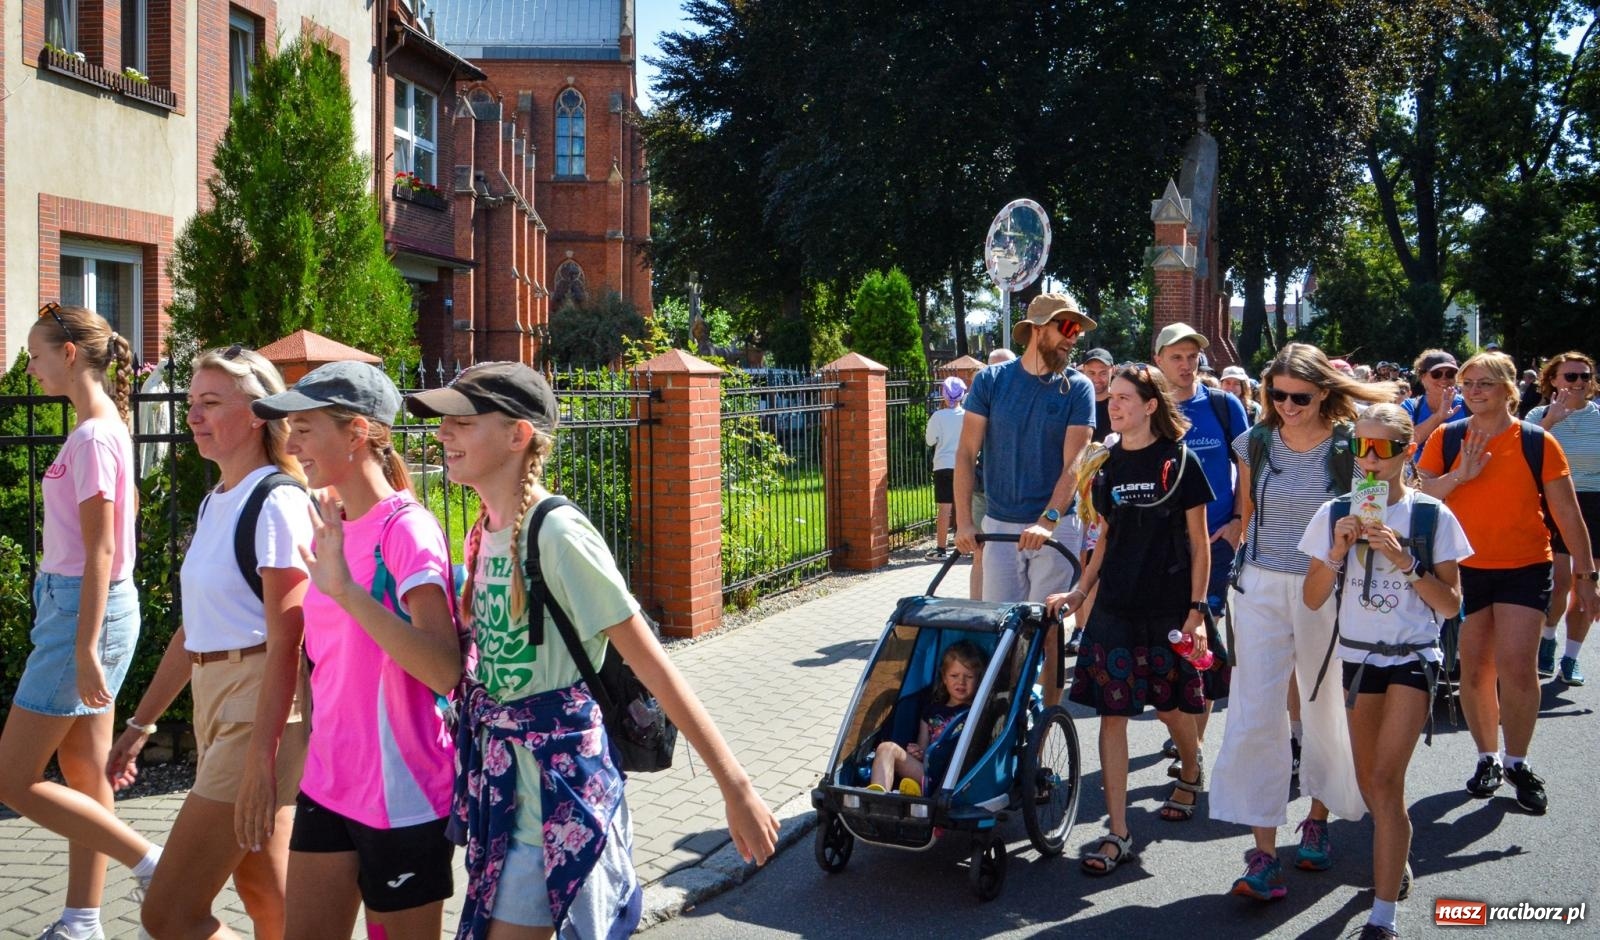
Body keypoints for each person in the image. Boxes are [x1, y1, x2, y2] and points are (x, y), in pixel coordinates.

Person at [405, 362, 779, 938]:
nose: (442, 433)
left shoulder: (558, 535)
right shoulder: (484, 530)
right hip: (506, 798)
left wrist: (736, 787)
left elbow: (654, 666)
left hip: (557, 804)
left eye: (463, 421)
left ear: (517, 435)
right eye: (443, 421)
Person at [105, 346, 313, 939]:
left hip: (258, 708)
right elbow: (193, 632)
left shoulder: (276, 501)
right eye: (193, 402)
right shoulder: (218, 498)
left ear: (257, 414)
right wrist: (140, 726)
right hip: (217, 699)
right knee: (267, 893)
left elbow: (289, 639)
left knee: (168, 912)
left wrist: (261, 759)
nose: (193, 415)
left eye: (211, 403)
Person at [252, 361, 463, 938]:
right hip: (328, 782)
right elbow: (323, 660)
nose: (290, 445)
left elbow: (444, 669)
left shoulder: (407, 529)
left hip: (401, 795)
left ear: (358, 433)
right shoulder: (331, 524)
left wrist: (347, 591)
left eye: (305, 429)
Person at [0, 304, 161, 940]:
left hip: (79, 614)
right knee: (87, 774)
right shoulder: (105, 429)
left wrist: (87, 645)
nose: (30, 368)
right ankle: (82, 921)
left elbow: (101, 549)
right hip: (85, 607)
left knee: (12, 779)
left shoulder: (94, 436)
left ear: (69, 354)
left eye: (37, 355)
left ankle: (150, 861)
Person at [1210, 343, 1388, 902]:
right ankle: (1263, 853)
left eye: (1300, 397)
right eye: (1278, 394)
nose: (1287, 405)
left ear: (1324, 393)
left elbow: (1374, 513)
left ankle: (1317, 820)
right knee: (1254, 712)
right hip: (1259, 585)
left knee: (1322, 705)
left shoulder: (1351, 447)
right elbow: (1247, 513)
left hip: (1325, 585)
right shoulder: (1254, 442)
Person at [1300, 404, 1470, 940]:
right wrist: (1336, 550)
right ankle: (1395, 856)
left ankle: (1383, 916)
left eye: (1382, 448)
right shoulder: (1335, 512)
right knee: (1369, 778)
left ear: (1407, 451)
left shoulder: (1431, 516)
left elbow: (1450, 605)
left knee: (1386, 781)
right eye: (1360, 447)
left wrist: (1406, 563)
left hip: (1413, 659)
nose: (1369, 459)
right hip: (1359, 659)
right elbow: (1311, 598)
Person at [1046, 363, 1214, 876]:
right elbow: (1106, 537)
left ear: (1150, 405)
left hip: (1168, 606)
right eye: (1111, 396)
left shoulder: (1180, 461)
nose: (1113, 404)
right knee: (1112, 714)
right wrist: (1080, 591)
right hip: (1115, 606)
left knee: (1169, 707)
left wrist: (1197, 611)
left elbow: (1200, 544)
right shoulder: (1104, 463)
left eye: (1123, 397)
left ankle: (1191, 765)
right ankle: (1118, 833)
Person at [1416, 351, 1598, 814]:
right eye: (1468, 383)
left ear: (1508, 389)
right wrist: (1461, 475)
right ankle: (1487, 758)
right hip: (1464, 567)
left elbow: (1567, 514)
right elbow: (1420, 494)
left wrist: (1586, 576)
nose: (1474, 391)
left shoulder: (1537, 441)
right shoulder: (1447, 436)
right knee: (1476, 670)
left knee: (1517, 666)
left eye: (1485, 383)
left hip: (1525, 565)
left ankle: (1518, 761)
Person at [954, 294, 1096, 704]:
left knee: (1047, 629)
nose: (1074, 338)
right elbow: (965, 453)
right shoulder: (992, 381)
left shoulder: (1077, 387)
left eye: (1077, 330)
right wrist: (964, 522)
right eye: (1066, 327)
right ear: (1037, 329)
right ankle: (1004, 714)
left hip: (1055, 527)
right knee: (1001, 628)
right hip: (999, 525)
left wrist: (1048, 520)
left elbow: (1076, 462)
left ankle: (1047, 722)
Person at [1153, 323, 1245, 777]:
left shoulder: (1223, 406)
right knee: (1167, 640)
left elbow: (1247, 465)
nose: (1187, 365)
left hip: (1213, 543)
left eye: (1192, 357)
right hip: (1162, 548)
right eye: (1177, 357)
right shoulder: (1151, 409)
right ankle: (1183, 731)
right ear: (1158, 361)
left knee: (1199, 638)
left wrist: (1239, 521)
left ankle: (1197, 742)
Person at [1528, 352, 1600, 685]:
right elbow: (1519, 453)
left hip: (1594, 504)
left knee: (1586, 582)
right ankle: (1548, 636)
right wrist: (1550, 422)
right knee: (1559, 583)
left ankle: (1571, 658)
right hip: (1553, 501)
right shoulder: (1538, 415)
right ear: (1553, 380)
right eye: (1571, 376)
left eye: (1585, 376)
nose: (1579, 382)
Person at [867, 641, 987, 795]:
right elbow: (923, 746)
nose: (961, 682)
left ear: (978, 680)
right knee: (886, 748)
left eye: (969, 676)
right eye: (954, 675)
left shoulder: (976, 712)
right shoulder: (931, 711)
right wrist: (918, 752)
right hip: (928, 775)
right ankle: (877, 795)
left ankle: (914, 791)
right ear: (944, 678)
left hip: (955, 780)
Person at [967, 348, 1017, 602]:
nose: (999, 374)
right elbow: (966, 450)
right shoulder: (979, 398)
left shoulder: (1021, 400)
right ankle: (976, 612)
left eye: (1005, 368)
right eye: (993, 368)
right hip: (984, 490)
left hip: (1015, 493)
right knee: (980, 552)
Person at [924, 376, 967, 560]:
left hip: (943, 466)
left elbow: (929, 440)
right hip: (964, 465)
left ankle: (941, 549)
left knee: (944, 508)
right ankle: (967, 546)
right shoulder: (967, 415)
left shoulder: (938, 416)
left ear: (943, 394)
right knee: (965, 506)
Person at [1403, 350, 1467, 463]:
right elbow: (1405, 444)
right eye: (1436, 374)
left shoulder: (1468, 405)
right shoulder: (1410, 407)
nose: (1444, 379)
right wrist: (1439, 416)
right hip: (1419, 473)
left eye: (1450, 374)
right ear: (1422, 377)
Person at [1081, 348, 1114, 444]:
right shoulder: (1076, 403)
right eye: (1091, 373)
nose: (1096, 379)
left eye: (1103, 373)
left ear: (1113, 370)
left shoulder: (1120, 403)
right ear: (1083, 370)